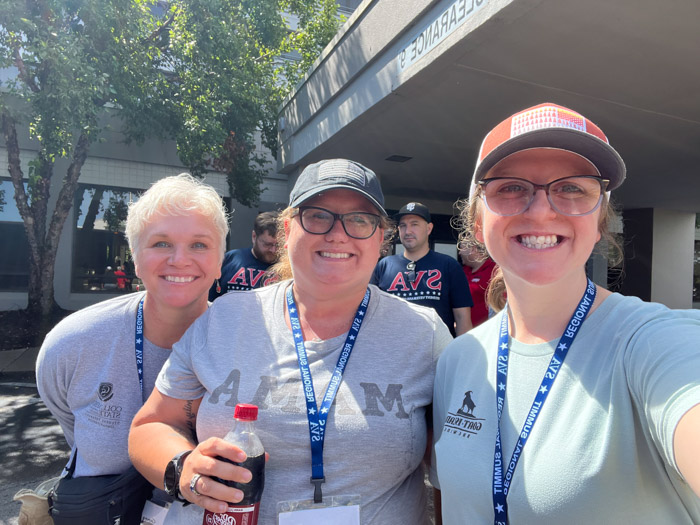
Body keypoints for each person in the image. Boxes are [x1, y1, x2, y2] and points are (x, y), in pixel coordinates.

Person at [128, 158, 453, 524]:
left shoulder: (422, 334)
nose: (337, 234)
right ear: (287, 229)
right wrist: (184, 469)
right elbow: (152, 425)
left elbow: (452, 467)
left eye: (359, 219)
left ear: (380, 238)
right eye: (317, 215)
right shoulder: (225, 318)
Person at [431, 103, 700, 523]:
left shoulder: (650, 341)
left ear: (599, 221)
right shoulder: (460, 359)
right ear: (478, 219)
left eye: (573, 188)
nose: (540, 211)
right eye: (510, 187)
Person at [36, 174, 228, 523]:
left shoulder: (245, 343)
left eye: (199, 244)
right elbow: (72, 426)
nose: (180, 259)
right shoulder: (73, 344)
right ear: (136, 258)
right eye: (161, 244)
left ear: (220, 261)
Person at [372, 202, 473, 336]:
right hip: (392, 352)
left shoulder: (449, 266)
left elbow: (462, 318)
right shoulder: (384, 266)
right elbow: (370, 313)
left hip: (437, 353)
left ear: (429, 228)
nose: (408, 231)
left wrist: (462, 355)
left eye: (414, 224)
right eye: (403, 226)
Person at [209, 211, 278, 300]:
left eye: (278, 245)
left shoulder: (287, 268)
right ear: (254, 236)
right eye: (267, 244)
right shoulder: (230, 259)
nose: (273, 250)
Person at [458, 245, 497, 327]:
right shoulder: (462, 271)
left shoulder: (495, 271)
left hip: (486, 332)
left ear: (473, 249)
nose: (459, 252)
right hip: (463, 333)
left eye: (462, 248)